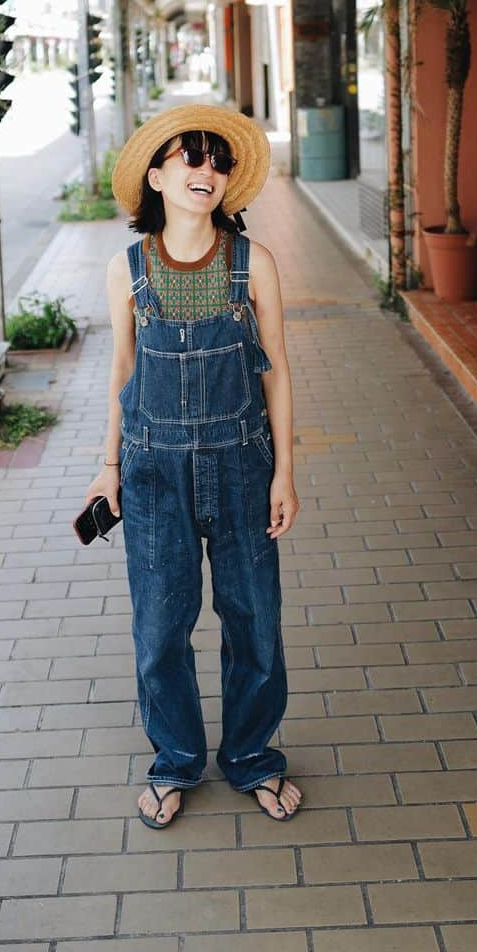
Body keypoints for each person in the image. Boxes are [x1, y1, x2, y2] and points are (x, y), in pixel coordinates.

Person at [85, 106, 302, 829]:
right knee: (160, 628)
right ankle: (176, 760)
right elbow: (121, 370)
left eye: (218, 161)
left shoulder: (254, 263)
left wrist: (284, 472)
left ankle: (252, 758)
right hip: (152, 473)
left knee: (255, 621)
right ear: (157, 175)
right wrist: (106, 467)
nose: (206, 172)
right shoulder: (128, 268)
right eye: (191, 159)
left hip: (243, 465)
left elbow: (276, 374)